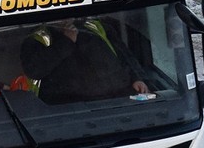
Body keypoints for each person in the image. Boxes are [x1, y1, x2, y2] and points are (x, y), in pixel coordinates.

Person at [19, 17, 149, 104]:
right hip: (71, 109)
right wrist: (66, 41)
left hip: (118, 100)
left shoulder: (96, 27)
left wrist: (136, 78)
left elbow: (125, 55)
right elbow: (34, 70)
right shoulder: (38, 38)